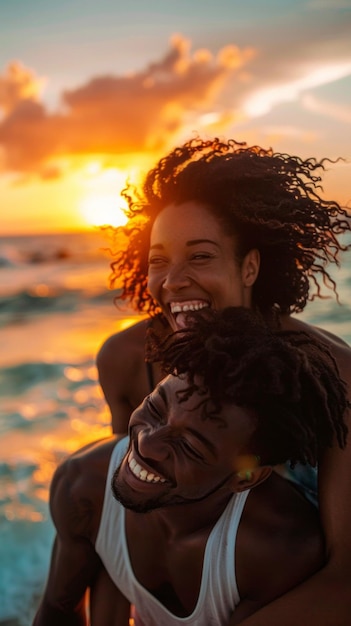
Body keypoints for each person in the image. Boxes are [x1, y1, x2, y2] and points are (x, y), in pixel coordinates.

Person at [95, 137, 351, 624]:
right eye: (158, 260)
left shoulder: (336, 378)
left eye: (201, 256)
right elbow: (129, 510)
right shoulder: (125, 361)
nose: (172, 281)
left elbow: (346, 579)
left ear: (250, 266)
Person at [33, 307, 349, 626]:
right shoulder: (83, 484)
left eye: (188, 446)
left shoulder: (274, 551)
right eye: (155, 407)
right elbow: (57, 612)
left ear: (246, 476)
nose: (147, 445)